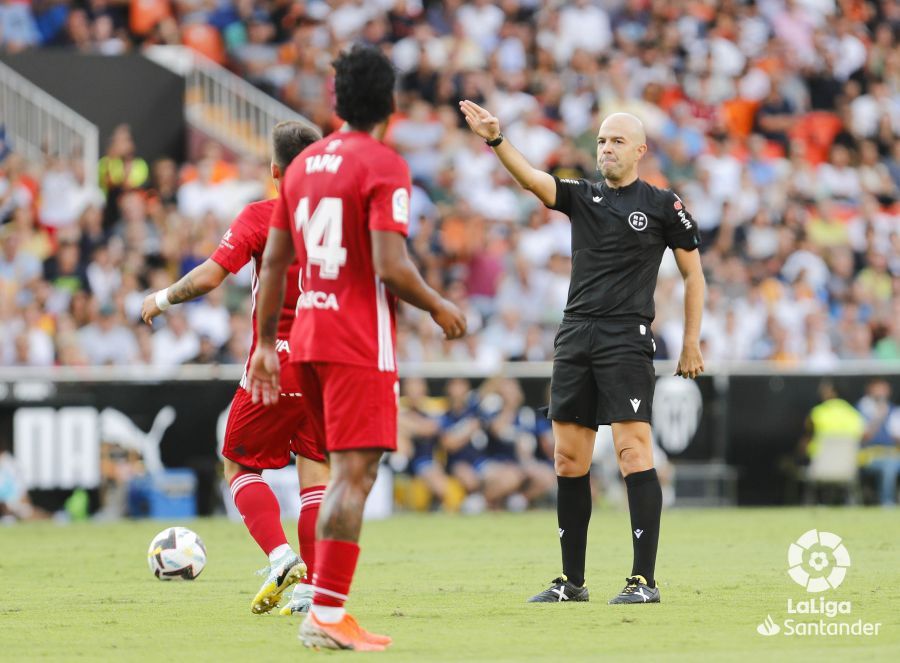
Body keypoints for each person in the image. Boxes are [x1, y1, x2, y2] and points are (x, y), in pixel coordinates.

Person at [248, 45, 466, 651]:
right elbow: (391, 266)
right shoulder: (384, 164)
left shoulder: (304, 165)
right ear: (390, 105)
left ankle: (324, 608)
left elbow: (274, 259)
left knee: (342, 473)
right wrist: (440, 305)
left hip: (306, 339)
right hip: (357, 338)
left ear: (337, 101)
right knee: (353, 475)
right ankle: (326, 611)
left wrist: (266, 343)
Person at [459, 100, 705, 604]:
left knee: (633, 450)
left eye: (616, 140)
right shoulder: (581, 195)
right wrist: (495, 139)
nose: (606, 148)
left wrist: (692, 341)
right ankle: (572, 582)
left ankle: (644, 580)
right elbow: (531, 178)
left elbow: (693, 274)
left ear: (640, 150)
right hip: (575, 336)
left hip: (625, 337)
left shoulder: (663, 204)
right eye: (601, 140)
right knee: (569, 459)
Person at [141, 121, 327, 615]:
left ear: (273, 170)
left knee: (239, 463)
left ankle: (282, 556)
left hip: (277, 360)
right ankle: (313, 588)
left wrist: (161, 298)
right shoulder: (339, 223)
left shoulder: (261, 216)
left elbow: (210, 276)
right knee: (316, 474)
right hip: (326, 366)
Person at [856, 379, 900, 506]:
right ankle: (887, 502)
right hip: (869, 457)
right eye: (878, 389)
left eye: (884, 389)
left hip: (893, 454)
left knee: (891, 462)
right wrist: (878, 417)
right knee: (889, 466)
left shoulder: (893, 410)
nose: (881, 393)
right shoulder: (861, 408)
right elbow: (864, 437)